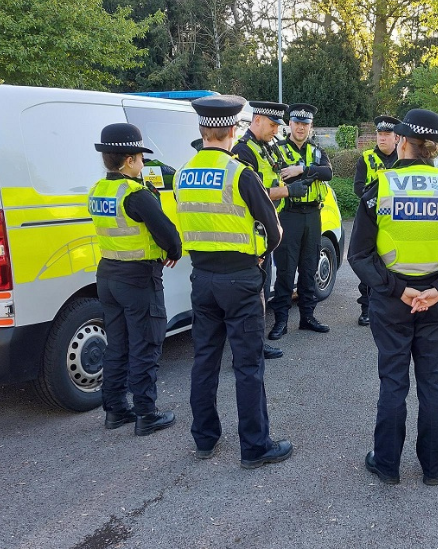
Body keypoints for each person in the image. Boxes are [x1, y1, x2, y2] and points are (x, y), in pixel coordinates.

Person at [349, 109, 438, 486]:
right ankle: (433, 467)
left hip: (393, 299)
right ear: (435, 147)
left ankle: (388, 465)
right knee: (432, 383)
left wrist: (398, 289)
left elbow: (359, 255)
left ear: (403, 143)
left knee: (393, 382)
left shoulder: (382, 188)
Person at [175, 95, 293, 467]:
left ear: (202, 130)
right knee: (247, 364)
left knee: (205, 360)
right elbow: (274, 231)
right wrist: (260, 252)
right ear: (231, 131)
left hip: (202, 278)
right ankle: (255, 447)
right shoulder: (240, 173)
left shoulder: (182, 173)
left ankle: (205, 439)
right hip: (241, 280)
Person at [88, 123, 183, 436]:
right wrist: (173, 250)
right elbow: (168, 232)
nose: (144, 163)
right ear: (129, 160)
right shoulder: (136, 194)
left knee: (117, 345)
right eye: (141, 157)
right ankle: (146, 414)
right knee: (145, 345)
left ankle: (115, 410)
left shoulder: (99, 190)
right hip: (138, 278)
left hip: (108, 274)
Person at [231, 101, 294, 360]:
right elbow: (251, 195)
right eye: (271, 124)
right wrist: (287, 191)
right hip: (250, 234)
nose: (275, 130)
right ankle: (246, 351)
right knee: (250, 298)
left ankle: (255, 343)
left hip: (263, 232)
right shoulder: (243, 151)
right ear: (256, 120)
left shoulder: (265, 148)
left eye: (278, 126)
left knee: (261, 292)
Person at [267, 103, 334, 341]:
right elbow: (280, 173)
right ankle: (281, 321)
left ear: (310, 126)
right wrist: (306, 171)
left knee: (309, 268)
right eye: (297, 123)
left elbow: (328, 173)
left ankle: (308, 316)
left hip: (312, 216)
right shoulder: (276, 150)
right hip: (289, 215)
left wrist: (301, 169)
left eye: (305, 124)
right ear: (289, 125)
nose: (301, 128)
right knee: (285, 270)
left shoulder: (316, 151)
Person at [354, 115, 401, 326]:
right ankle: (366, 308)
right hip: (372, 220)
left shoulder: (403, 159)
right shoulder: (366, 158)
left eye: (386, 135)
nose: (382, 139)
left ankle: (393, 305)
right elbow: (358, 188)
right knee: (369, 263)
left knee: (394, 262)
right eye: (379, 134)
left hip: (397, 221)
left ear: (397, 137)